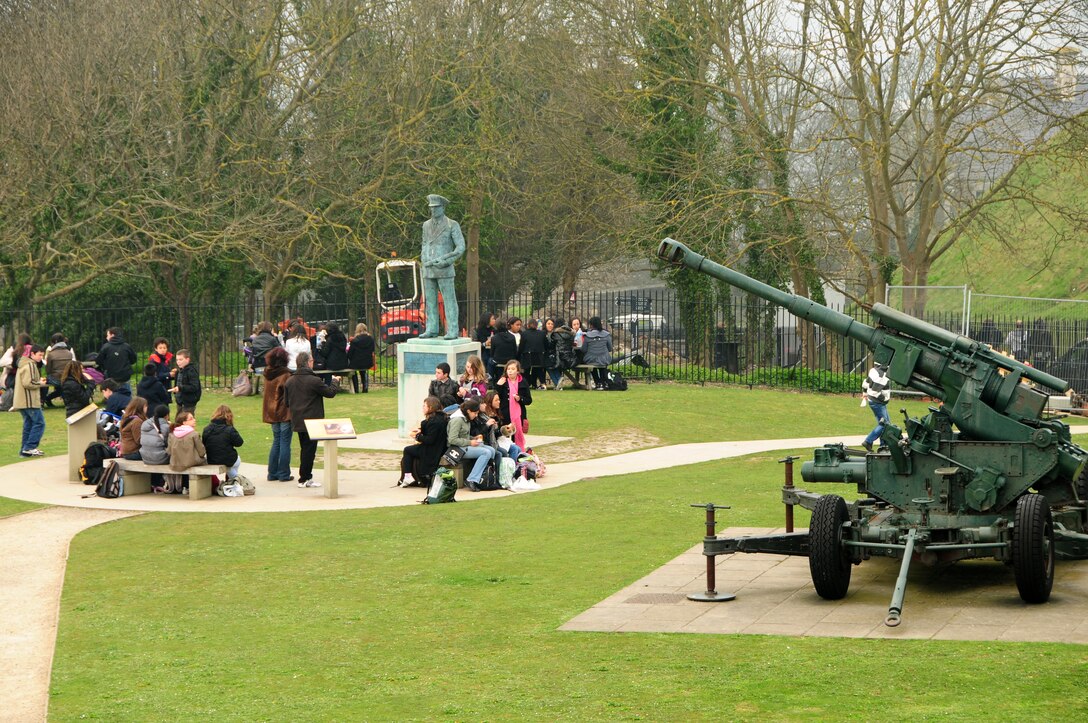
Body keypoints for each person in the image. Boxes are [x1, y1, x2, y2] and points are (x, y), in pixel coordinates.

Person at [284, 351, 338, 488]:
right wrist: (335, 382)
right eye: (312, 361)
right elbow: (330, 393)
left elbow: (286, 403)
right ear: (308, 363)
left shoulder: (290, 381)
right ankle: (304, 478)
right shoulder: (314, 381)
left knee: (305, 449)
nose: (313, 363)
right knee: (309, 450)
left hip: (298, 419)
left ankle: (305, 476)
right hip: (312, 421)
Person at [419, 194, 465, 339]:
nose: (433, 210)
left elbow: (461, 247)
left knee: (449, 300)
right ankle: (432, 328)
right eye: (431, 208)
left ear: (443, 207)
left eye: (436, 207)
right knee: (430, 300)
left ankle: (452, 330)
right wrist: (424, 260)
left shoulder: (452, 224)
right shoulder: (426, 225)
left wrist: (446, 261)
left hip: (444, 268)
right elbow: (425, 244)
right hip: (428, 267)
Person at [446, 398, 496, 492]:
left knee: (492, 450)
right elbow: (452, 439)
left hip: (465, 446)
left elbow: (464, 435)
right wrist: (470, 442)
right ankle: (472, 479)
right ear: (468, 411)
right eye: (475, 413)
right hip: (457, 449)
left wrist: (473, 438)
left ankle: (484, 477)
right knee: (486, 452)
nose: (476, 415)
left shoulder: (466, 418)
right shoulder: (457, 420)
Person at [398, 395, 448, 487]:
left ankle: (408, 476)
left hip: (432, 450)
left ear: (431, 407)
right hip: (439, 447)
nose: (423, 408)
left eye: (424, 406)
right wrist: (421, 431)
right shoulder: (442, 418)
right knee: (411, 450)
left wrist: (417, 436)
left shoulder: (433, 421)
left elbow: (430, 440)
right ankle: (408, 476)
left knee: (407, 450)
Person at [262, 347, 294, 482]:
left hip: (272, 412)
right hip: (284, 412)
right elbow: (289, 395)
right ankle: (283, 473)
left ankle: (272, 473)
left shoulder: (267, 374)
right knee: (285, 442)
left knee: (277, 442)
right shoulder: (285, 375)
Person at [13, 345, 48, 457]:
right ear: (32, 354)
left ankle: (24, 451)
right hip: (29, 401)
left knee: (28, 425)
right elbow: (28, 383)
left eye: (42, 355)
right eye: (39, 355)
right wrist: (40, 383)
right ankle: (30, 447)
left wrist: (37, 381)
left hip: (21, 400)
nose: (41, 357)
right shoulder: (30, 365)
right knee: (39, 423)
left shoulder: (23, 364)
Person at [495, 359, 532, 450]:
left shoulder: (523, 382)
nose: (510, 371)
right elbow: (495, 398)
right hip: (504, 413)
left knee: (517, 436)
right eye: (508, 369)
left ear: (518, 371)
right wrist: (498, 386)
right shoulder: (502, 381)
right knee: (504, 436)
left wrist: (520, 399)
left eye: (512, 369)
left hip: (519, 415)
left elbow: (529, 400)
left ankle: (518, 454)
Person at [202, 404, 244, 480]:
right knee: (237, 461)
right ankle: (235, 479)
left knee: (230, 466)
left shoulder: (207, 429)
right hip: (228, 459)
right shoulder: (229, 429)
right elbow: (239, 443)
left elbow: (204, 444)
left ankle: (233, 479)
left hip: (211, 459)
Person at [480, 390, 522, 462]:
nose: (499, 401)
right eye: (496, 400)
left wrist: (507, 429)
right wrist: (500, 430)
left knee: (518, 448)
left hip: (498, 440)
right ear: (490, 401)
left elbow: (498, 432)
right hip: (492, 442)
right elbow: (489, 433)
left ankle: (512, 468)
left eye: (499, 399)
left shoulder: (497, 413)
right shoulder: (487, 416)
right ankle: (508, 470)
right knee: (513, 449)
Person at [861, 362, 892, 452]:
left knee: (886, 423)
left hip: (874, 402)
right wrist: (884, 399)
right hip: (877, 402)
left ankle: (883, 445)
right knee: (885, 424)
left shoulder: (873, 370)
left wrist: (865, 394)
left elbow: (865, 384)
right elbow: (875, 392)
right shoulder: (882, 376)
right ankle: (868, 441)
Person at [98, 327, 137, 394]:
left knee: (113, 393)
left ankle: (113, 400)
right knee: (127, 393)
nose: (106, 337)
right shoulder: (126, 346)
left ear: (112, 335)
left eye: (107, 335)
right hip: (125, 376)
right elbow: (133, 359)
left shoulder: (106, 347)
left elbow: (99, 361)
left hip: (111, 376)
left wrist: (106, 366)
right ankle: (127, 401)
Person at [43, 333, 75, 407]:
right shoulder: (69, 353)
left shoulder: (51, 354)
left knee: (54, 383)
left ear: (55, 342)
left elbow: (48, 370)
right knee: (62, 386)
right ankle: (49, 399)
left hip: (56, 379)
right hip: (67, 378)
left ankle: (46, 398)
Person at [583, 316, 613, 390]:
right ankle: (603, 382)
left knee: (593, 366)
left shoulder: (587, 335)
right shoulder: (606, 335)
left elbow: (584, 349)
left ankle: (598, 383)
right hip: (604, 359)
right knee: (602, 365)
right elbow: (610, 349)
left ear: (591, 325)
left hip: (590, 359)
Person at [170, 349, 201, 415]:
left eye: (180, 360)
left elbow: (194, 387)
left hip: (188, 402)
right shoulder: (179, 371)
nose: (178, 362)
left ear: (187, 359)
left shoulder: (191, 371)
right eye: (177, 360)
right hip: (180, 401)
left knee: (187, 421)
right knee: (178, 421)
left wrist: (180, 388)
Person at [519, 318, 548, 390]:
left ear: (528, 325)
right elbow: (546, 345)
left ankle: (526, 384)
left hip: (527, 358)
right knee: (538, 369)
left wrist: (519, 355)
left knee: (526, 370)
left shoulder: (524, 334)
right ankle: (539, 384)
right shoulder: (542, 333)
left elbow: (521, 347)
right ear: (537, 325)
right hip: (539, 358)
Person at [347, 322, 376, 393]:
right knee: (363, 371)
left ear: (357, 330)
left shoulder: (354, 341)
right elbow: (372, 350)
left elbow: (350, 353)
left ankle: (356, 389)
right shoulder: (371, 339)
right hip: (367, 361)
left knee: (353, 372)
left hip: (356, 362)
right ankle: (365, 387)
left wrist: (350, 358)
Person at [550, 318, 576, 388]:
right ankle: (558, 382)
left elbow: (551, 345)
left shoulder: (555, 333)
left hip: (559, 358)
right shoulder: (571, 333)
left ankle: (558, 380)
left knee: (549, 364)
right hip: (570, 359)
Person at [473, 314, 496, 378]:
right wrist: (485, 343)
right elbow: (475, 344)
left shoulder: (494, 330)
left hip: (492, 350)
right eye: (493, 319)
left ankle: (490, 377)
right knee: (486, 357)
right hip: (482, 351)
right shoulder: (477, 331)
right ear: (487, 320)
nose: (494, 320)